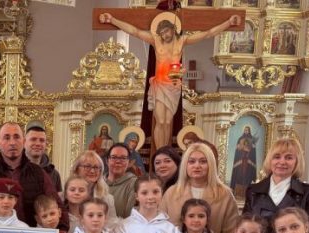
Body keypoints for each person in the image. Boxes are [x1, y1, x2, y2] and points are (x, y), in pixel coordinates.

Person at [99, 12, 239, 148]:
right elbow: (135, 31)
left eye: (166, 31)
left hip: (173, 85)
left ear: (173, 29)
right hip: (159, 84)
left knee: (167, 121)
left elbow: (208, 33)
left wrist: (228, 23)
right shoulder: (156, 41)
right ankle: (160, 151)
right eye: (162, 33)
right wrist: (112, 20)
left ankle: (165, 151)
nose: (164, 35)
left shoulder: (182, 41)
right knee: (160, 121)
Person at [242, 137, 309, 233]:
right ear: (270, 160)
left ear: (297, 162)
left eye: (289, 157)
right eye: (277, 157)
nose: (282, 162)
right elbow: (245, 226)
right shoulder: (253, 190)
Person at [161, 143, 240, 233]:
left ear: (211, 165)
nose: (197, 166)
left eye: (203, 161)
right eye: (192, 161)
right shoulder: (171, 193)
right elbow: (161, 227)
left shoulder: (225, 194)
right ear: (185, 165)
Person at [70, 150, 119, 227]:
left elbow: (113, 226)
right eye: (87, 167)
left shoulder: (108, 199)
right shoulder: (64, 197)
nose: (92, 171)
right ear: (76, 169)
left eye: (96, 167)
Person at [24, 126, 62, 192]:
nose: (38, 144)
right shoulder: (14, 169)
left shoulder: (54, 174)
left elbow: (57, 197)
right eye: (33, 139)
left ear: (46, 144)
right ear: (24, 142)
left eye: (42, 140)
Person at [105, 143, 138, 219]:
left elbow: (130, 217)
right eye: (114, 157)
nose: (118, 161)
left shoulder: (134, 184)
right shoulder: (98, 182)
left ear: (129, 162)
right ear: (107, 161)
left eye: (123, 158)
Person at [229, 126, 258, 199]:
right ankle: (238, 194)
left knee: (248, 176)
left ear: (249, 131)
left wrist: (250, 149)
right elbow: (238, 150)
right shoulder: (240, 139)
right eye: (245, 130)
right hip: (241, 161)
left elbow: (253, 152)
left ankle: (247, 194)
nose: (246, 131)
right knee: (239, 175)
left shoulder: (252, 139)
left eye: (247, 130)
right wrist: (241, 148)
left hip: (248, 162)